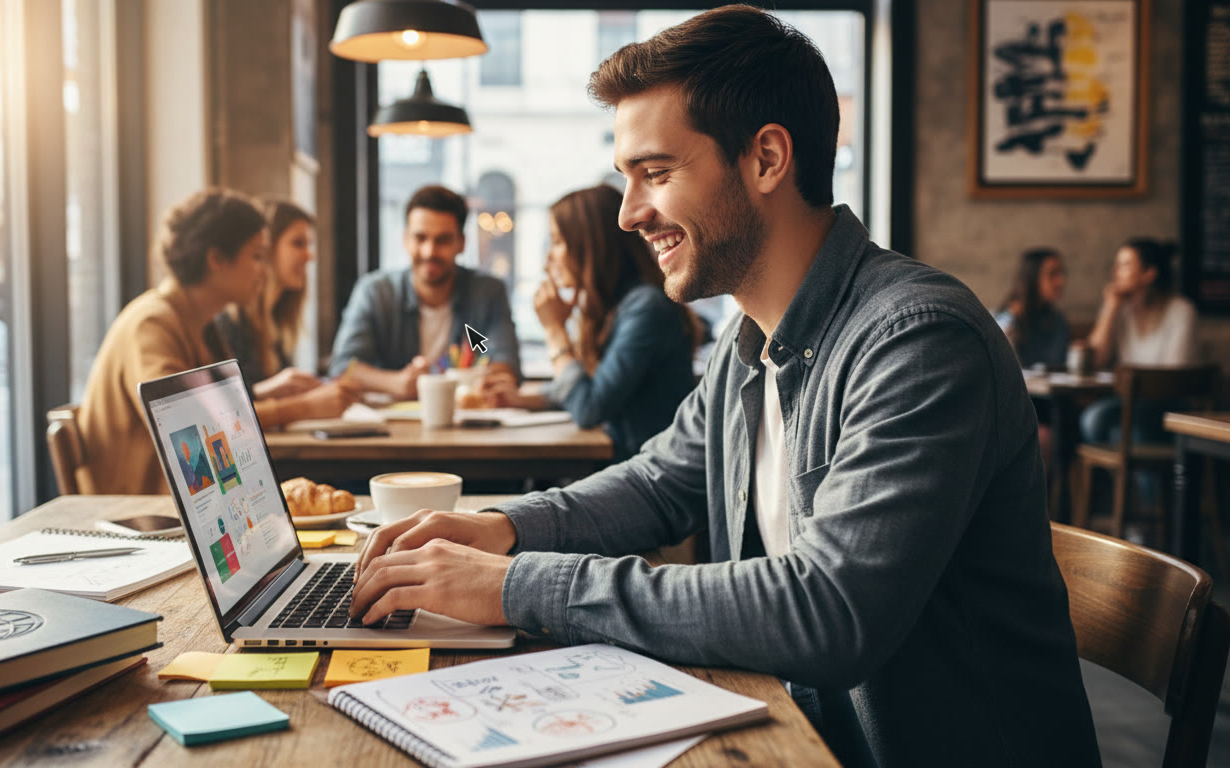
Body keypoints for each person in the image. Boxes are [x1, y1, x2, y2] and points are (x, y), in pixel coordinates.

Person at [347, 8, 1099, 766]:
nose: (629, 212)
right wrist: (501, 530)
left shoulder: (919, 340)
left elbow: (827, 610)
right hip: (800, 728)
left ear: (767, 158)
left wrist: (516, 586)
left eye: (656, 173)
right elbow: (656, 484)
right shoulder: (750, 345)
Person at [77, 188, 354, 495]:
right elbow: (189, 429)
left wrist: (268, 395)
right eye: (258, 256)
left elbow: (220, 411)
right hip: (142, 511)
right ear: (217, 259)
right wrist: (303, 407)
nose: (265, 271)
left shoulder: (201, 325)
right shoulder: (152, 323)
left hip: (188, 503)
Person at [483, 185, 698, 458]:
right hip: (624, 466)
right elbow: (590, 387)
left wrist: (554, 331)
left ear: (590, 246)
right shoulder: (612, 308)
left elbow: (589, 408)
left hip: (649, 475)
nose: (549, 258)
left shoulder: (646, 308)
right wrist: (524, 399)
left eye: (558, 243)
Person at [328, 185, 521, 399]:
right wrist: (395, 383)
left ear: (461, 243)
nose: (430, 252)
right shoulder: (376, 293)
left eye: (443, 240)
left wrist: (483, 380)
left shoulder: (486, 293)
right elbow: (344, 366)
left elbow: (505, 362)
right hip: (392, 427)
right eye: (420, 238)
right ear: (406, 239)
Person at [213, 200, 334, 402]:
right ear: (266, 247)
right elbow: (223, 406)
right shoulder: (226, 323)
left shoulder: (275, 320)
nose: (310, 255)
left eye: (309, 245)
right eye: (298, 243)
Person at [1082, 239, 1199, 445]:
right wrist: (1110, 308)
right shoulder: (1121, 310)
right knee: (1095, 420)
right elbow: (1096, 359)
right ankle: (1124, 477)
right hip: (1128, 402)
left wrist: (1131, 381)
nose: (1115, 272)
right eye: (1116, 264)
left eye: (1125, 265)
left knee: (1104, 420)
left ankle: (1130, 477)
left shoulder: (1181, 311)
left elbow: (1173, 378)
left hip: (1169, 404)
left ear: (1149, 274)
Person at [995, 247, 1070, 369]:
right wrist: (1011, 321)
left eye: (1062, 273)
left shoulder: (1057, 320)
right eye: (1052, 274)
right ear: (1032, 277)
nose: (1061, 281)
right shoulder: (1007, 318)